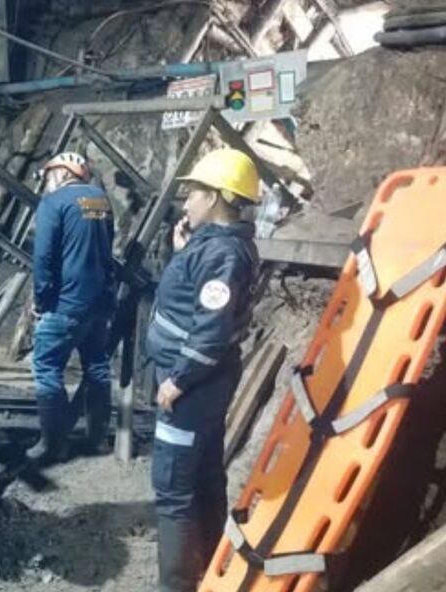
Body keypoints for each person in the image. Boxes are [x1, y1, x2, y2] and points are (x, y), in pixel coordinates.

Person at [148, 148, 261, 592]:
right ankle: (216, 570)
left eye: (194, 192)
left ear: (215, 196)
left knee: (173, 488)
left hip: (193, 386)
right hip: (204, 384)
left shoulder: (222, 256)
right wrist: (186, 247)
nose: (188, 202)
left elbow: (210, 331)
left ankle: (176, 586)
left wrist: (177, 381)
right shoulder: (214, 246)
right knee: (205, 474)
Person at [27, 151, 117, 463]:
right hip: (98, 302)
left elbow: (43, 257)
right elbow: (108, 247)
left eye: (48, 176)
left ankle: (53, 445)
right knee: (97, 367)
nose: (45, 183)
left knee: (47, 369)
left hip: (64, 303)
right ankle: (98, 440)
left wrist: (41, 299)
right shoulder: (100, 200)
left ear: (61, 173)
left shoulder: (54, 203)